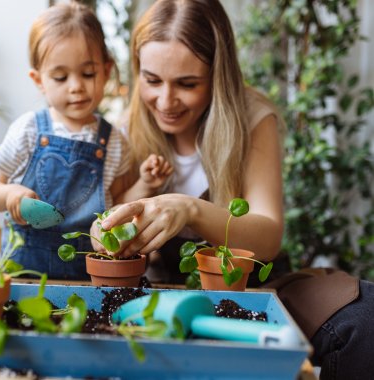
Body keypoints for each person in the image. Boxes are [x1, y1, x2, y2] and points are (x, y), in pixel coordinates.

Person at [93, 1, 374, 379]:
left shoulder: (253, 116)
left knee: (365, 317)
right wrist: (105, 231)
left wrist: (189, 209)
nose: (165, 101)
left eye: (188, 84)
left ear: (218, 74)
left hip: (258, 287)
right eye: (152, 80)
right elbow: (104, 226)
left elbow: (268, 238)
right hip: (163, 293)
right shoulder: (125, 129)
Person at [0, 2, 172, 280]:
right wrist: (11, 194)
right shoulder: (29, 130)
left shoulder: (114, 141)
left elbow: (116, 204)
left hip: (87, 273)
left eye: (88, 74)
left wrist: (145, 183)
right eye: (60, 76)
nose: (76, 86)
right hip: (23, 272)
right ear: (39, 80)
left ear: (106, 71)